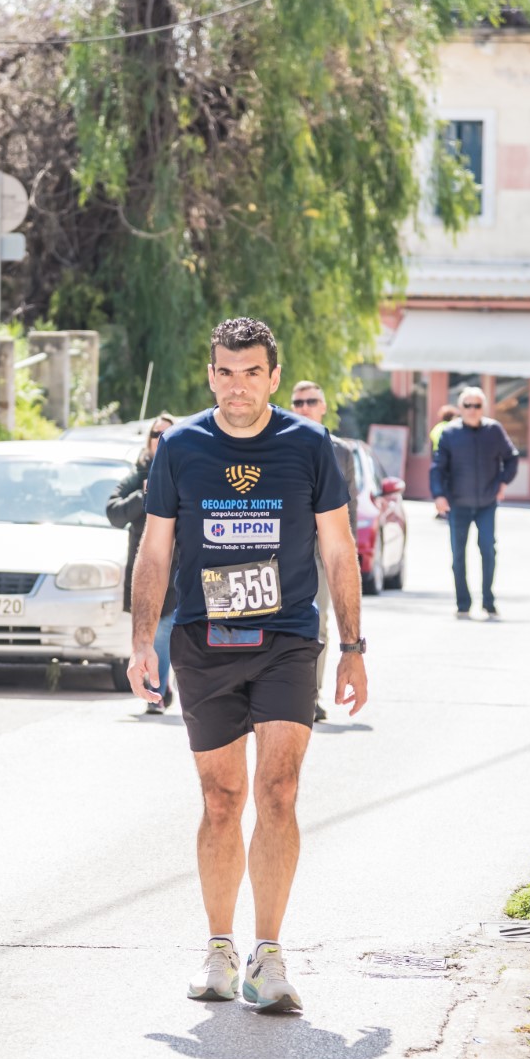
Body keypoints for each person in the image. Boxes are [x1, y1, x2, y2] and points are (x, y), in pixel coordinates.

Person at [128, 316, 367, 1013]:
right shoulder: (181, 446)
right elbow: (155, 549)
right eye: (226, 373)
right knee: (221, 799)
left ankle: (270, 955)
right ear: (211, 376)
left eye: (252, 373)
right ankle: (219, 950)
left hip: (287, 637)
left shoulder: (309, 444)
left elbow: (339, 549)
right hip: (204, 640)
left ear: (273, 375)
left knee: (279, 792)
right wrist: (141, 643)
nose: (238, 387)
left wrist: (353, 648)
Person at [289, 378, 357, 722]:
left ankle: (310, 698)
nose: (304, 408)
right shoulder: (279, 444)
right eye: (298, 403)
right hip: (285, 549)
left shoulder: (341, 451)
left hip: (321, 551)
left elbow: (350, 508)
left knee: (318, 623)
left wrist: (346, 558)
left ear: (324, 407)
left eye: (311, 401)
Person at [106, 413, 177, 712]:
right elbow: (114, 513)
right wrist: (143, 493)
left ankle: (159, 688)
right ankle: (158, 689)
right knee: (152, 631)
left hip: (177, 570)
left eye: (167, 434)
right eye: (156, 434)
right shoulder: (138, 475)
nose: (161, 439)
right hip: (146, 568)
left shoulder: (185, 471)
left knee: (165, 632)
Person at [430, 386, 518, 620]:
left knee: (488, 550)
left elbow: (511, 458)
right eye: (467, 405)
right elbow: (438, 467)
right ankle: (463, 603)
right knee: (458, 555)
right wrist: (439, 495)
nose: (472, 410)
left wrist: (503, 482)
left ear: (483, 408)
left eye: (477, 405)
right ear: (460, 408)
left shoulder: (494, 430)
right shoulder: (450, 433)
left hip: (487, 503)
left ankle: (488, 601)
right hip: (458, 503)